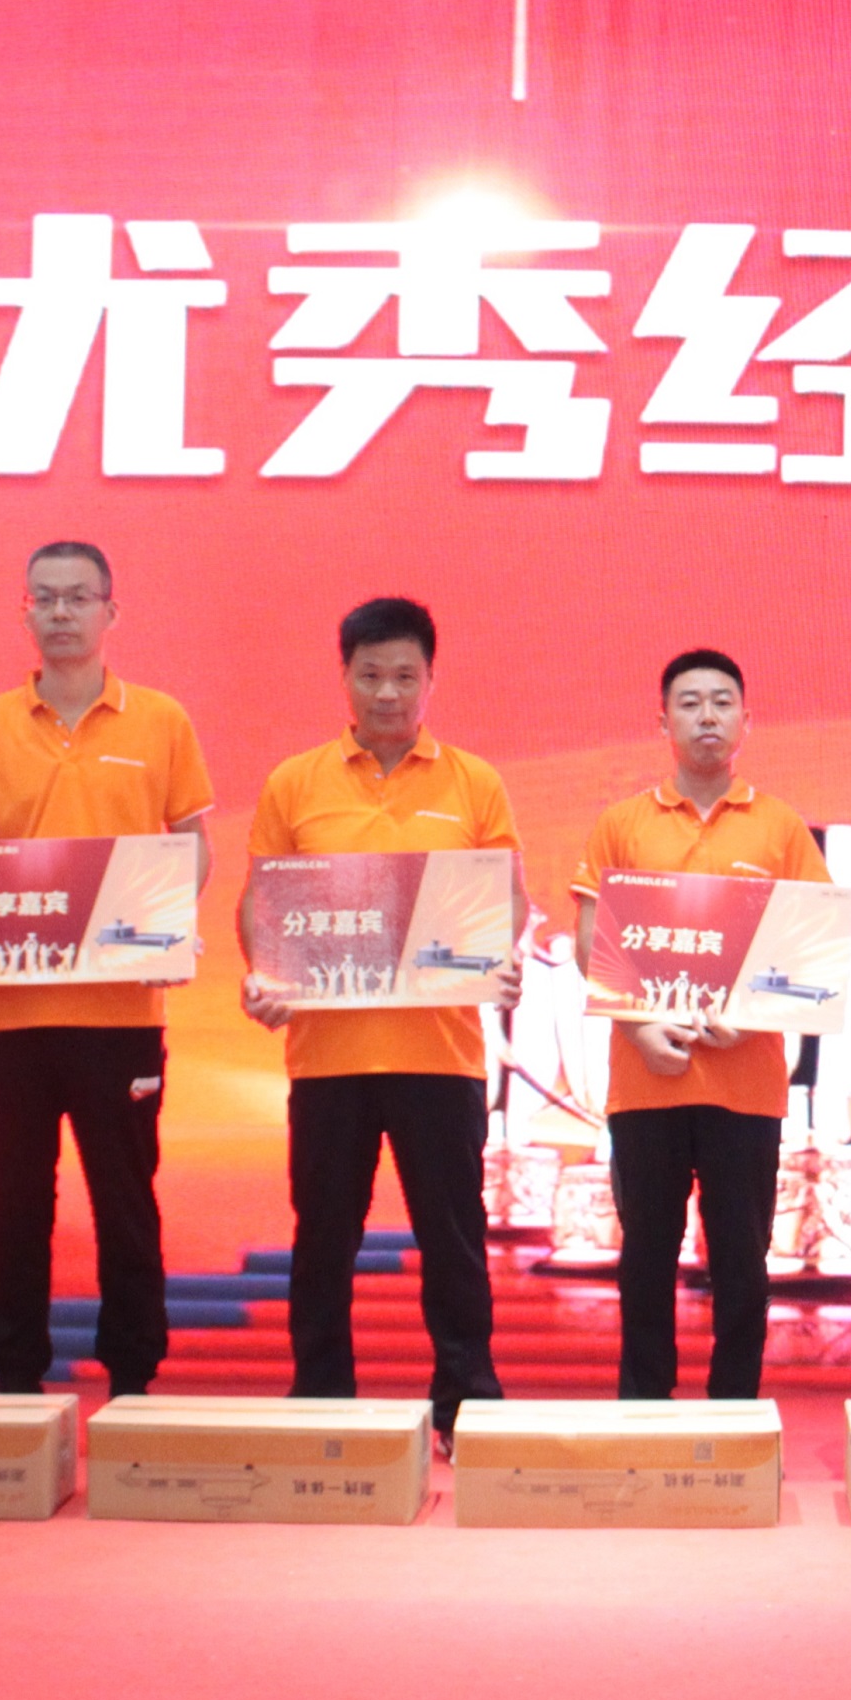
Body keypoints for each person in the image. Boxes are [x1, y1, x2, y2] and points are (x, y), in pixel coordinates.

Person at [241, 597, 522, 1444]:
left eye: (405, 675)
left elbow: (506, 900)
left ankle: (466, 1401)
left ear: (431, 679)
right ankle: (321, 1396)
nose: (388, 693)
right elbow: (263, 903)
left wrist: (502, 957)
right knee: (323, 1239)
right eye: (371, 675)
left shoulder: (474, 782)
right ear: (345, 677)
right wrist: (264, 974)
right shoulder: (295, 782)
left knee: (454, 1239)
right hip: (328, 1056)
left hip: (440, 1054)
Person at [0, 541, 214, 1399]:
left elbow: (191, 843)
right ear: (25, 611)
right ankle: (15, 1373)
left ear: (110, 612)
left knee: (125, 1201)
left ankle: (133, 1373)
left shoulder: (160, 720)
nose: (61, 612)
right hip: (6, 1017)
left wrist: (167, 921)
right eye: (45, 598)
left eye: (78, 597)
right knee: (14, 1205)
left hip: (120, 1014)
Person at [572, 648, 832, 1401]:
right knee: (645, 1261)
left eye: (722, 702)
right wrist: (639, 1028)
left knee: (743, 1266)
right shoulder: (622, 824)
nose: (707, 716)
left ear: (747, 720)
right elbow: (592, 938)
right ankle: (644, 1411)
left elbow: (810, 941)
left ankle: (735, 1413)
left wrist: (749, 1018)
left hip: (745, 1086)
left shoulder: (780, 827)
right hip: (645, 1080)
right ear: (662, 721)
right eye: (689, 703)